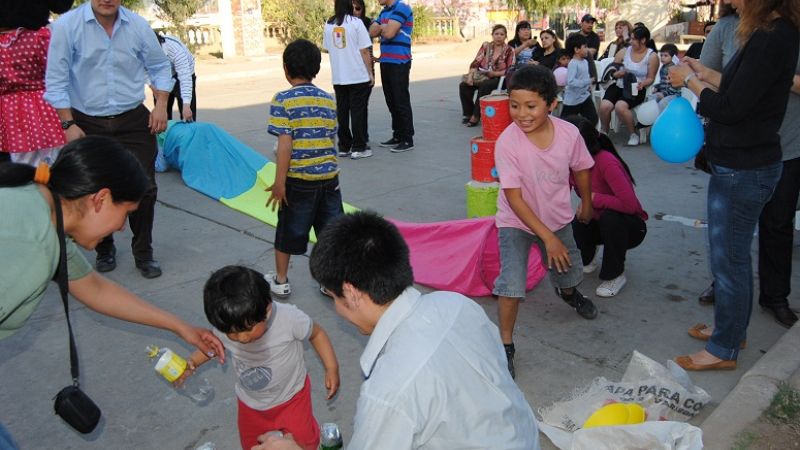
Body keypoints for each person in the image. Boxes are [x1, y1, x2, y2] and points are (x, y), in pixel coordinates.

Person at [254, 211, 541, 449]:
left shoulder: (390, 389)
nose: (336, 310)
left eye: (332, 298)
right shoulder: (456, 305)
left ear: (351, 293)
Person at [0, 135, 224, 383]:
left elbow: (94, 288)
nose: (120, 228)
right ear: (101, 199)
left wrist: (180, 326)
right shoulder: (33, 246)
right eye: (126, 213)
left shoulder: (42, 208)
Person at [669, 0, 799, 371]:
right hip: (744, 162)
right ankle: (730, 330)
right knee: (731, 257)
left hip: (744, 167)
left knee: (729, 261)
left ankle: (724, 349)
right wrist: (706, 72)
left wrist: (690, 82)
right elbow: (744, 91)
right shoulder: (770, 32)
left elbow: (730, 109)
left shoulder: (772, 37)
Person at [45, 0, 174, 279]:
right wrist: (68, 124)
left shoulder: (138, 26)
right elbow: (56, 80)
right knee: (94, 190)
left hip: (133, 120)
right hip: (86, 120)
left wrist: (161, 104)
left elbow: (160, 67)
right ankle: (104, 248)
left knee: (145, 188)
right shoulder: (67, 27)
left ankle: (144, 253)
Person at [493, 65, 597, 379]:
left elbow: (581, 169)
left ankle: (568, 294)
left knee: (569, 274)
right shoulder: (507, 143)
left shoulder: (569, 134)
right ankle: (506, 345)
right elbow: (514, 198)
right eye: (514, 105)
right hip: (517, 221)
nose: (521, 114)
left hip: (558, 218)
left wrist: (587, 202)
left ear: (552, 104)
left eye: (530, 106)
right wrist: (546, 238)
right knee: (511, 284)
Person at [181, 266, 339, 450]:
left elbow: (316, 334)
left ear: (267, 309)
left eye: (247, 330)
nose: (242, 338)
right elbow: (211, 348)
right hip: (251, 405)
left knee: (302, 444)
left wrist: (331, 367)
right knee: (253, 445)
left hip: (292, 399)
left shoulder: (289, 318)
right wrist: (190, 363)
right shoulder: (229, 324)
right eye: (232, 333)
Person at [265, 39, 343, 300]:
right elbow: (330, 139)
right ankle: (330, 283)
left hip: (299, 181)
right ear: (316, 69)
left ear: (286, 69)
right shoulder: (328, 100)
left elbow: (285, 144)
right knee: (330, 233)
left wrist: (280, 183)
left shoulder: (283, 100)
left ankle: (281, 281)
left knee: (288, 230)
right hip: (329, 179)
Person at [566, 115, 647, 297]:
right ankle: (589, 256)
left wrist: (592, 198)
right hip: (596, 219)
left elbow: (630, 205)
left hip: (630, 227)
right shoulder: (569, 164)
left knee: (610, 218)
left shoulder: (606, 161)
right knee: (575, 221)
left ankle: (615, 274)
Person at [695, 0, 739, 306]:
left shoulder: (777, 34)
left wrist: (690, 80)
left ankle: (728, 336)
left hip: (758, 152)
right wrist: (700, 75)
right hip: (730, 149)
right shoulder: (726, 28)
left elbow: (735, 100)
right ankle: (729, 323)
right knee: (726, 240)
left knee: (732, 239)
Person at [756, 51, 800, 328]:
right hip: (742, 149)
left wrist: (774, 75)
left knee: (779, 224)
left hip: (789, 149)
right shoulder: (731, 28)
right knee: (730, 229)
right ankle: (722, 288)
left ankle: (775, 297)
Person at [0, 17, 66, 165]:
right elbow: (56, 70)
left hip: (11, 111)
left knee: (22, 160)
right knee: (55, 155)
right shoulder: (37, 37)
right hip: (45, 105)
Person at [324, 0, 375, 160]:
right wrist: (370, 74)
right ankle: (359, 146)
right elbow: (365, 51)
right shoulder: (356, 23)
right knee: (358, 111)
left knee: (343, 111)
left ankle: (344, 146)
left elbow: (328, 48)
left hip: (339, 76)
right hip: (357, 75)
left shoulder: (329, 24)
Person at [598, 26, 659, 146]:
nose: (630, 42)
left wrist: (643, 83)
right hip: (619, 84)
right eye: (630, 39)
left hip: (636, 87)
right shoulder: (624, 51)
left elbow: (650, 78)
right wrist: (618, 73)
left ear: (643, 40)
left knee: (621, 106)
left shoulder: (652, 56)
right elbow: (613, 70)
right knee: (604, 106)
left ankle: (633, 134)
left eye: (633, 39)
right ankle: (605, 131)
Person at [370, 0, 415, 152]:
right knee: (391, 101)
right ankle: (397, 135)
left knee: (400, 100)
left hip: (399, 62)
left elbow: (389, 33)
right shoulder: (384, 12)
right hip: (386, 61)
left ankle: (407, 139)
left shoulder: (402, 7)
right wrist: (386, 26)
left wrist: (382, 28)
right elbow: (372, 31)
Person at [459, 24, 514, 127]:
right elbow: (476, 62)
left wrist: (495, 73)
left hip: (500, 79)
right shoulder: (486, 46)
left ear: (505, 36)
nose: (498, 36)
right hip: (482, 76)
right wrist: (470, 76)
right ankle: (468, 113)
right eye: (496, 34)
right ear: (492, 35)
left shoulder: (509, 50)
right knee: (464, 85)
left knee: (486, 85)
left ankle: (476, 116)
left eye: (501, 34)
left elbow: (510, 69)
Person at [155, 32, 197, 122]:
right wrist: (159, 101)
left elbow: (185, 77)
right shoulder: (144, 52)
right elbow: (148, 74)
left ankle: (188, 133)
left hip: (183, 74)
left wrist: (186, 105)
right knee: (161, 117)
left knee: (187, 115)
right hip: (163, 77)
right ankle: (164, 134)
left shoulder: (174, 49)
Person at [561, 33, 598, 126]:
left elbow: (584, 76)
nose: (587, 49)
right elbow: (571, 81)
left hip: (584, 96)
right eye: (585, 47)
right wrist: (587, 81)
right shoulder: (573, 64)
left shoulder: (585, 61)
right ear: (576, 49)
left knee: (593, 119)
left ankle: (586, 137)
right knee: (566, 123)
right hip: (573, 100)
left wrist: (588, 86)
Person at [352, 0, 375, 148]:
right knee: (351, 107)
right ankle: (355, 140)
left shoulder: (368, 22)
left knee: (361, 106)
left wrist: (370, 73)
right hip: (350, 69)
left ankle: (361, 137)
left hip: (366, 68)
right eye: (352, 8)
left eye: (358, 8)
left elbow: (366, 49)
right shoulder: (343, 23)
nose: (355, 11)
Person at [652, 43, 681, 111]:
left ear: (673, 57)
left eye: (665, 56)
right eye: (661, 55)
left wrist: (664, 94)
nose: (662, 58)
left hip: (674, 94)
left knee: (662, 103)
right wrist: (657, 87)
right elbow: (663, 82)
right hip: (664, 93)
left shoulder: (674, 69)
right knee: (650, 99)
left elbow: (675, 87)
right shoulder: (663, 67)